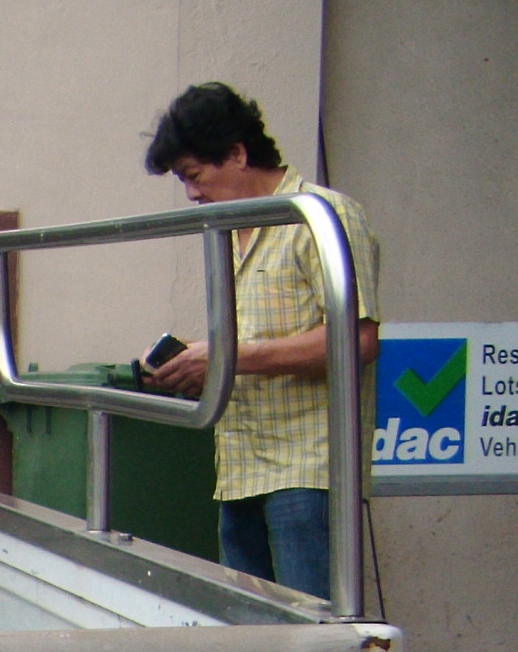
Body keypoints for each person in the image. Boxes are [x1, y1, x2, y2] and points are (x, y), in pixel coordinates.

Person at [139, 83, 380, 600]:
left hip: (308, 466)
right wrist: (196, 362)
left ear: (237, 154)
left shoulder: (323, 216)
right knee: (249, 626)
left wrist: (229, 358)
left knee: (308, 626)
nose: (192, 194)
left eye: (195, 176)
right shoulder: (229, 230)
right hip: (240, 464)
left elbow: (357, 341)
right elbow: (257, 340)